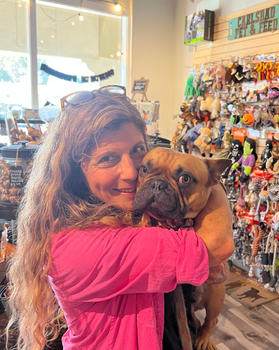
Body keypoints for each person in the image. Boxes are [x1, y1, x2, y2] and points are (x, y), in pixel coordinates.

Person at [7, 85, 234, 350]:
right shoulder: (73, 246)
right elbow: (218, 245)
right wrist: (207, 179)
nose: (129, 172)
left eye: (138, 150)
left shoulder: (129, 210)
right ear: (76, 169)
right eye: (107, 158)